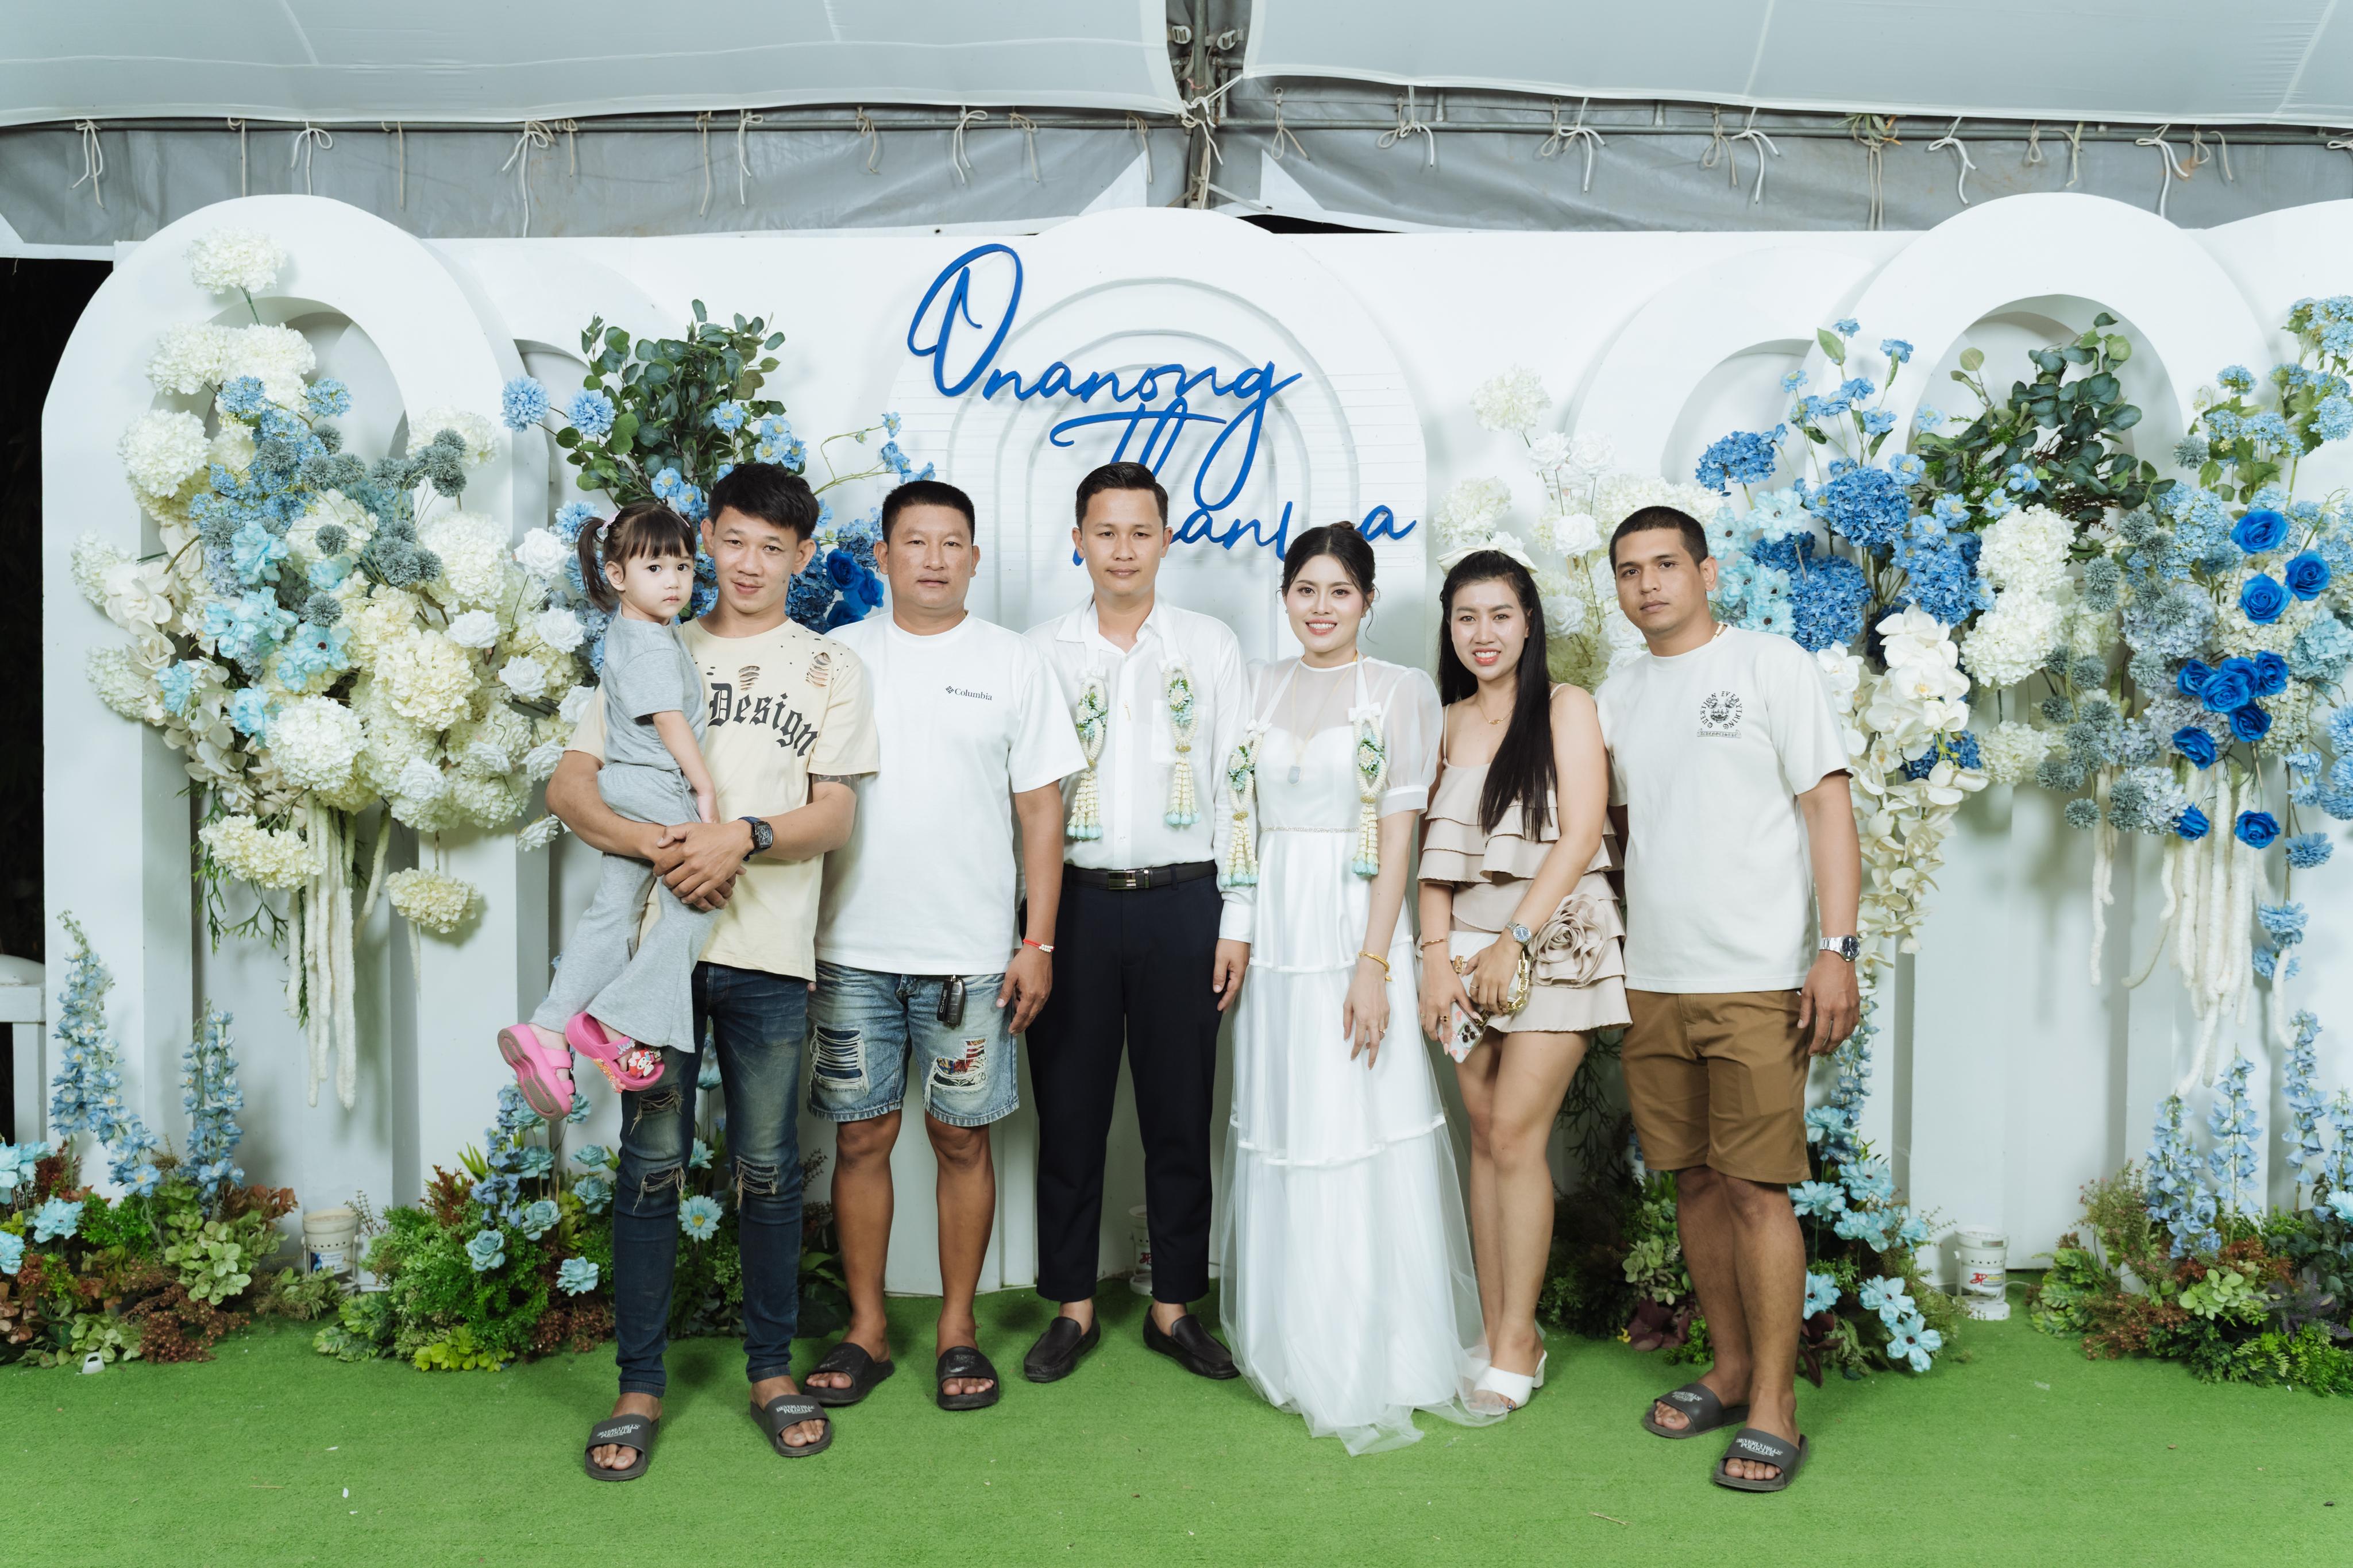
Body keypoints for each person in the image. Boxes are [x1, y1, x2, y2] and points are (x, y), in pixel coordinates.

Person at [548, 463, 878, 1476]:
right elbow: (570, 788)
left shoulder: (829, 667)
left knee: (769, 1169)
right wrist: (661, 848)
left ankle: (770, 1372)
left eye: (773, 548)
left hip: (767, 957)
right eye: (732, 540)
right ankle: (638, 1385)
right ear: (704, 537)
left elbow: (835, 814)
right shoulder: (650, 639)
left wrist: (741, 836)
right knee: (650, 1165)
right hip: (655, 962)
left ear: (803, 557)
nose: (749, 563)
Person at [803, 478, 1082, 1414]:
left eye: (951, 541)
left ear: (974, 557)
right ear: (881, 556)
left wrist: (1038, 940)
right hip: (849, 948)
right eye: (914, 541)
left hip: (970, 955)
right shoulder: (838, 657)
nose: (933, 557)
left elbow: (1041, 812)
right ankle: (868, 1330)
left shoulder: (1012, 662)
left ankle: (957, 1330)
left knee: (961, 1140)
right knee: (860, 1136)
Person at [1596, 505, 1861, 1494]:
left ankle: (1775, 1406)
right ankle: (1731, 1365)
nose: (1649, 584)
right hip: (1654, 976)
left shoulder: (1769, 666)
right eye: (1630, 570)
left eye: (1666, 564)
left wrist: (1835, 950)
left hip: (1756, 974)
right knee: (1695, 1182)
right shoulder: (1617, 695)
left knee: (1755, 1187)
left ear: (1707, 573)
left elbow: (1826, 804)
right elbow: (1621, 828)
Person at [1217, 522, 1495, 1454]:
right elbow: (1239, 821)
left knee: (1358, 1120)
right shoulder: (1256, 685)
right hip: (1279, 929)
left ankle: (1382, 1350)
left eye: (1340, 590)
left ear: (1368, 601)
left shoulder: (1399, 691)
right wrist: (1238, 927)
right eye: (1306, 589)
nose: (1321, 607)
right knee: (1291, 1121)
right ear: (1285, 597)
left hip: (1353, 922)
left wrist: (1374, 965)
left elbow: (1402, 839)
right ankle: (1299, 1341)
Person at [1018, 462, 1251, 1386]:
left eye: (1140, 531)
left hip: (1185, 902)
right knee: (1069, 1112)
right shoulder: (1040, 650)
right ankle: (1071, 1304)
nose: (1123, 549)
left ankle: (1174, 1306)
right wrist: (1027, 930)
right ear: (1078, 539)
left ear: (1166, 538)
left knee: (1179, 1113)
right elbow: (1021, 797)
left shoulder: (1210, 645)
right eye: (1105, 532)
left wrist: (1237, 918)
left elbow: (1238, 788)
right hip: (1070, 904)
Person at [1415, 546, 1626, 1416]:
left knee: (1514, 1134)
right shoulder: (1445, 722)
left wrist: (1514, 941)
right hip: (1463, 950)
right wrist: (1434, 958)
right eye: (1466, 617)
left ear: (1528, 621)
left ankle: (1517, 1342)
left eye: (1500, 614)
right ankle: (1500, 1328)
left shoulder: (1566, 706)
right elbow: (1430, 853)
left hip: (1556, 938)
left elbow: (1579, 835)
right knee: (1486, 1135)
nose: (1484, 632)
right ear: (1449, 628)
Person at [501, 502, 716, 1110]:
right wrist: (704, 787)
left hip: (623, 782)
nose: (674, 581)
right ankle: (614, 1021)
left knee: (614, 911)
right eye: (655, 568)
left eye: (683, 566)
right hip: (657, 787)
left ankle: (548, 1029)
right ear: (618, 576)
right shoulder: (651, 644)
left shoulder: (634, 629)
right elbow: (669, 720)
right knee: (698, 903)